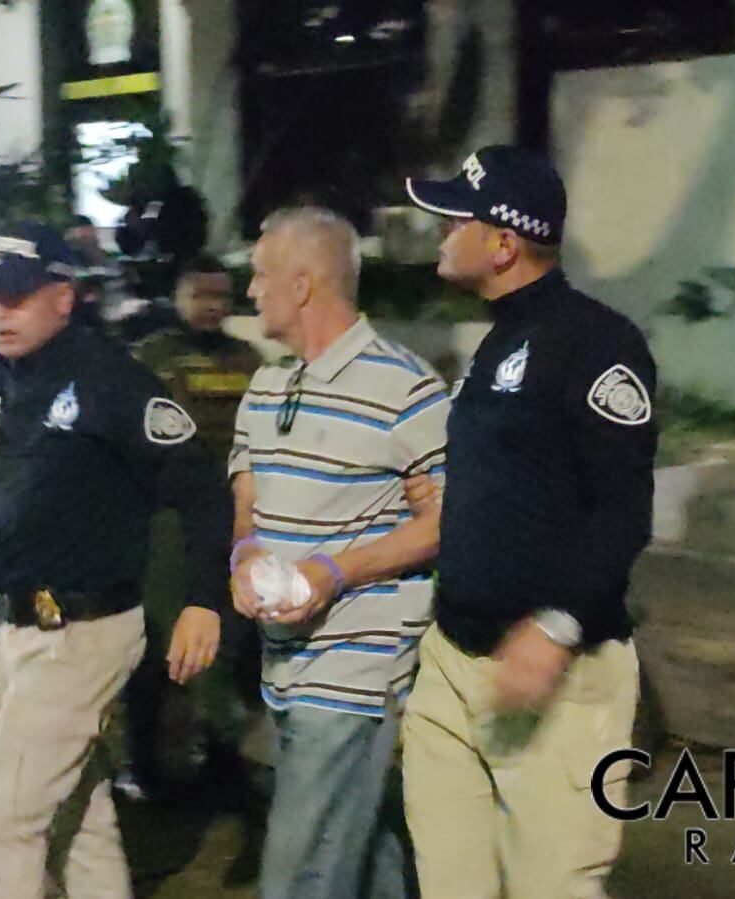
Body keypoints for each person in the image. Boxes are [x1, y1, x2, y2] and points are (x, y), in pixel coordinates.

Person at [0, 222, 231, 899]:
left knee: (5, 820)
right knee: (79, 813)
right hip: (22, 629)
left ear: (63, 296)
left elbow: (201, 491)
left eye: (15, 296)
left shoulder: (109, 380)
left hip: (84, 630)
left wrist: (202, 600)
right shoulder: (1, 382)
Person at [401, 146, 657, 899]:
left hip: (554, 678)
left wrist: (554, 626)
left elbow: (623, 509)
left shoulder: (597, 344)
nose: (441, 231)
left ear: (504, 243)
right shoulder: (497, 341)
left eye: (457, 220)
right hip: (452, 661)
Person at [227, 206, 448, 899]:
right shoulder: (268, 384)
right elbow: (247, 485)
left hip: (354, 670)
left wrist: (332, 571)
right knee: (367, 855)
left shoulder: (405, 387)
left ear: (301, 285)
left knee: (300, 873)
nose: (249, 290)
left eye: (260, 275)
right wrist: (244, 553)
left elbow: (448, 519)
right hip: (282, 666)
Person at [122, 255, 264, 799]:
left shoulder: (248, 360)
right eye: (199, 294)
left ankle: (222, 758)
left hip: (231, 514)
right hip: (164, 519)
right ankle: (142, 761)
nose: (211, 306)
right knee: (152, 639)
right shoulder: (150, 357)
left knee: (226, 640)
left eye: (220, 295)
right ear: (177, 297)